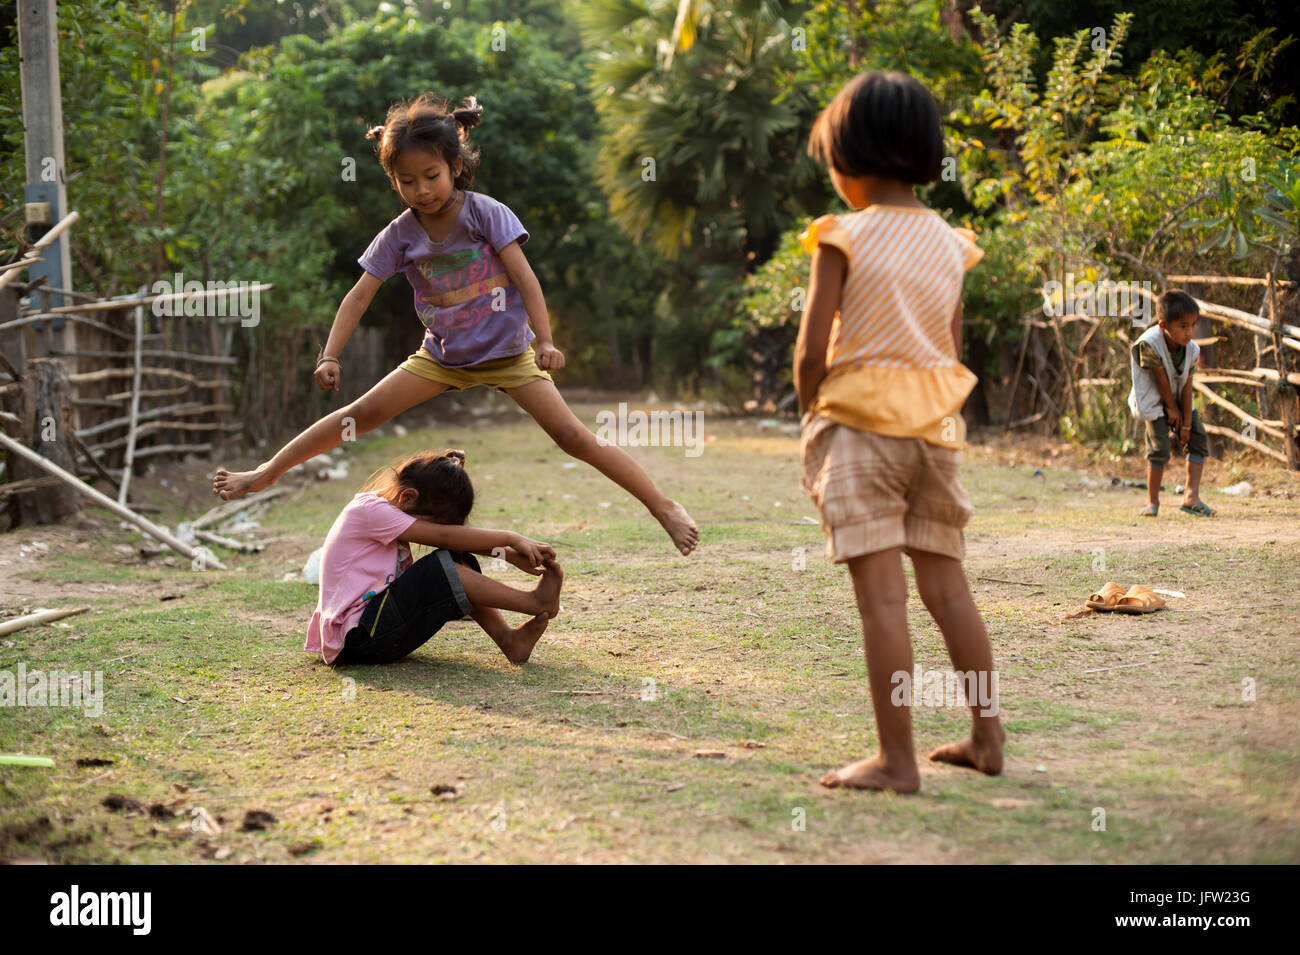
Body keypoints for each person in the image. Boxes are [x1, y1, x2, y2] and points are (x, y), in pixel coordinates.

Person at [213, 93, 698, 555]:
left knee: (574, 438)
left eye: (431, 175)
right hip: (441, 358)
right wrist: (330, 354)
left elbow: (525, 279)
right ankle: (265, 472)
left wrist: (546, 340)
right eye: (406, 180)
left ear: (455, 167)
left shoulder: (486, 214)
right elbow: (360, 294)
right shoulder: (400, 235)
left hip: (509, 355)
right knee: (357, 417)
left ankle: (662, 505)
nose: (420, 190)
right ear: (394, 180)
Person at [794, 71, 1004, 793]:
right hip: (935, 431)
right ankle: (986, 734)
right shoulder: (951, 243)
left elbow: (811, 351)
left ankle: (897, 761)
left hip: (860, 428)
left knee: (884, 602)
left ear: (850, 160)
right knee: (950, 592)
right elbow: (946, 345)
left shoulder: (840, 234)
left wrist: (809, 409)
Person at [307, 448, 563, 667]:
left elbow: (452, 539)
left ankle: (510, 640)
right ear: (408, 498)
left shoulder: (388, 508)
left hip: (376, 630)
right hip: (358, 637)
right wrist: (509, 538)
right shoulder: (370, 512)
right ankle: (533, 602)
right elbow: (444, 537)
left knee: (456, 557)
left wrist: (508, 555)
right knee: (440, 568)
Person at [1128, 290, 1213, 517]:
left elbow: (1187, 384)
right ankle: (1152, 501)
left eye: (1193, 325)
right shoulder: (1149, 343)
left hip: (1178, 398)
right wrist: (1172, 409)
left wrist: (1185, 423)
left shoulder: (1192, 349)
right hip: (1154, 400)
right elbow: (1160, 378)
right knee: (1159, 448)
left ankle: (1191, 497)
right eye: (1183, 326)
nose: (1190, 332)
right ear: (1164, 325)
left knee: (1198, 437)